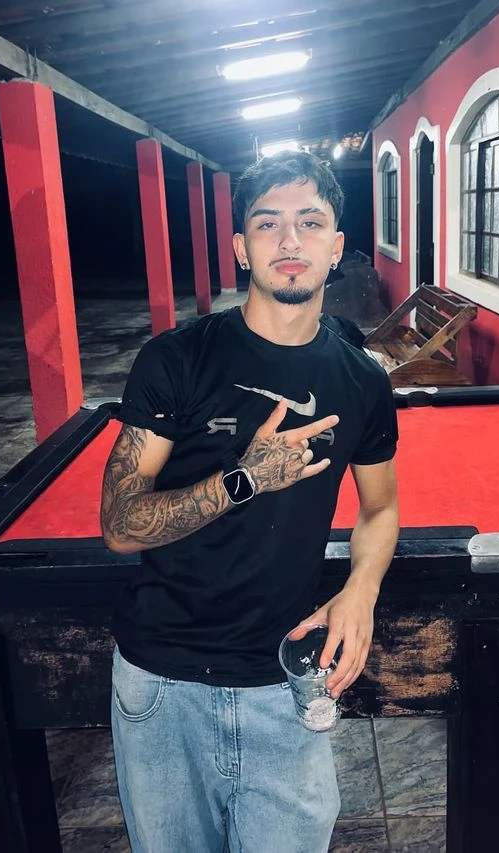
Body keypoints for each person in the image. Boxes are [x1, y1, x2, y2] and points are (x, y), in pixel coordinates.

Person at [100, 150, 399, 853]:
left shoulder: (362, 380)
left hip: (285, 677)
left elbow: (380, 507)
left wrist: (361, 590)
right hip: (163, 681)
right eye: (268, 224)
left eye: (309, 222)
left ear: (336, 247)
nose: (290, 240)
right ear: (241, 248)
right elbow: (119, 523)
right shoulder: (177, 359)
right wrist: (245, 478)